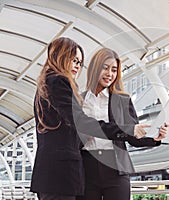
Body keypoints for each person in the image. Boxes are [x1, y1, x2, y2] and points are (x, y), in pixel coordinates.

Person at [30, 37, 150, 200]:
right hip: (61, 175)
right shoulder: (59, 81)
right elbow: (80, 122)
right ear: (61, 56)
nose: (77, 66)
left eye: (79, 62)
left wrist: (149, 137)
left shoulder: (46, 84)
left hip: (55, 174)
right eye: (74, 60)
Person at [76, 48, 169, 200]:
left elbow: (133, 135)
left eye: (114, 70)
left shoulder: (122, 100)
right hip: (87, 167)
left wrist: (154, 138)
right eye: (105, 68)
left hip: (116, 167)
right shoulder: (80, 100)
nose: (110, 74)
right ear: (94, 68)